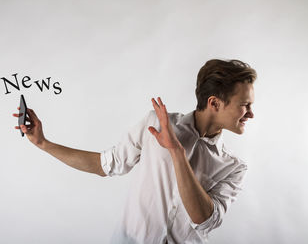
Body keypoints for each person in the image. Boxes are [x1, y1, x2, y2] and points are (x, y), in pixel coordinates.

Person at [13, 59, 257, 243]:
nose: (251, 114)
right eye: (245, 105)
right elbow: (104, 165)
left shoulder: (234, 167)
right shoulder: (157, 124)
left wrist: (176, 152)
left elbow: (204, 219)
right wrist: (43, 143)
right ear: (214, 103)